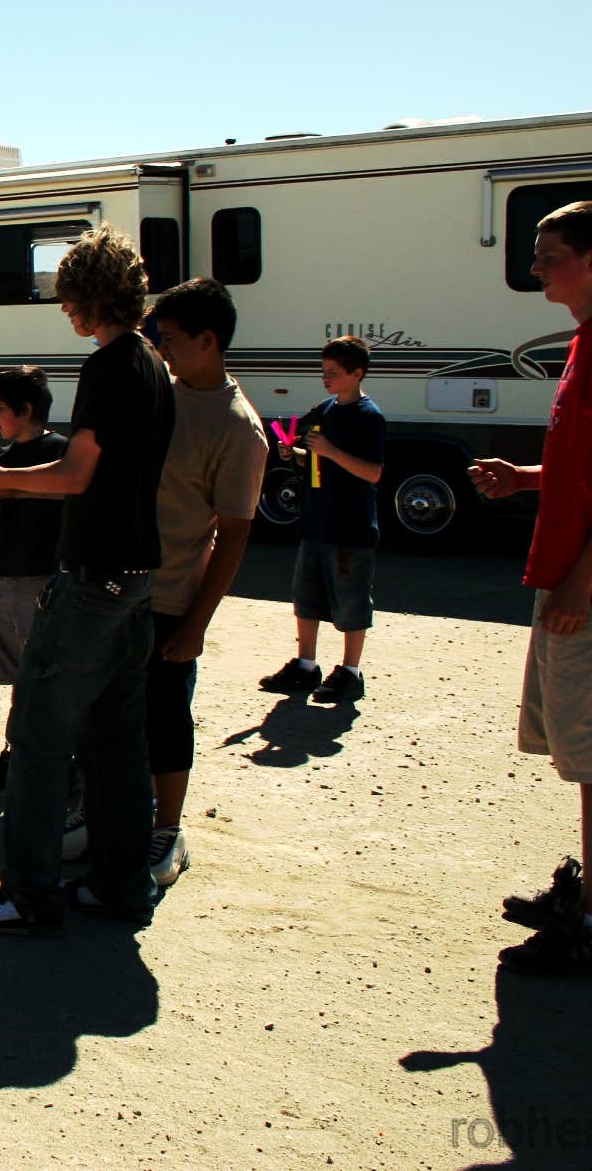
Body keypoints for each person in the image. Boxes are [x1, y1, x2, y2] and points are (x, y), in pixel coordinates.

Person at [0, 224, 174, 934]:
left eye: (70, 298)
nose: (65, 312)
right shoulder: (154, 366)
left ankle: (29, 894)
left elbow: (76, 473)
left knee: (41, 740)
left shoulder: (108, 368)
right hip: (136, 579)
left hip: (93, 578)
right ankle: (120, 885)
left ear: (92, 298)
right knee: (116, 743)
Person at [470, 200, 592, 976]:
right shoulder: (586, 341)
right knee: (590, 753)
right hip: (579, 581)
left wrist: (580, 583)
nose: (535, 266)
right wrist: (527, 478)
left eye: (549, 254)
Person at [140, 278, 267, 886]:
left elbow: (234, 534)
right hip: (121, 586)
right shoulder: (156, 394)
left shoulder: (238, 428)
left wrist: (196, 624)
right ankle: (105, 810)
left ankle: (168, 829)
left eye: (168, 340)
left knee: (167, 718)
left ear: (208, 342)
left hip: (172, 598)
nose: (160, 350)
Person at [257, 335, 385, 705]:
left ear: (357, 373)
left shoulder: (368, 417)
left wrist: (329, 450)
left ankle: (350, 672)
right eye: (323, 371)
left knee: (350, 600)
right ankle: (306, 664)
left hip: (350, 526)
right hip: (316, 521)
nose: (325, 378)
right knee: (306, 597)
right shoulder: (325, 410)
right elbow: (315, 462)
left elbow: (374, 472)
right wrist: (294, 453)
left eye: (333, 373)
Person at [0, 366, 68, 792]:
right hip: (3, 575)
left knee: (41, 676)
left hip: (40, 577)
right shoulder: (1, 457)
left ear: (26, 411)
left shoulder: (60, 451)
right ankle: (17, 752)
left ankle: (37, 758)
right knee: (17, 675)